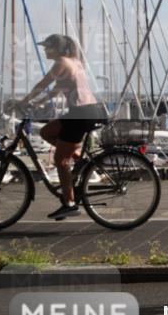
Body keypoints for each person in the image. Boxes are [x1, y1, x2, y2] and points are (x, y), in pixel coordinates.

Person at [18, 34, 105, 220]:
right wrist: (36, 103)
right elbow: (56, 89)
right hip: (85, 111)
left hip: (80, 113)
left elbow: (42, 84)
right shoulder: (73, 61)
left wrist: (23, 101)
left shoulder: (61, 63)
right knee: (46, 132)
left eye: (47, 47)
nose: (45, 50)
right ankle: (78, 159)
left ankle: (70, 204)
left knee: (60, 160)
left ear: (58, 49)